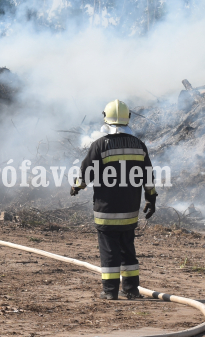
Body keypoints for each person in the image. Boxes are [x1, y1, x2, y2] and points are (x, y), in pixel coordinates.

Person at [71, 99, 157, 300]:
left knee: (109, 250)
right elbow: (148, 176)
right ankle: (132, 290)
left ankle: (110, 291)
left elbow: (86, 173)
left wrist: (77, 186)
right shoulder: (139, 145)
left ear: (105, 119)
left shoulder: (100, 144)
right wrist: (151, 199)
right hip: (130, 210)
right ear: (128, 118)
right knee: (128, 250)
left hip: (106, 211)